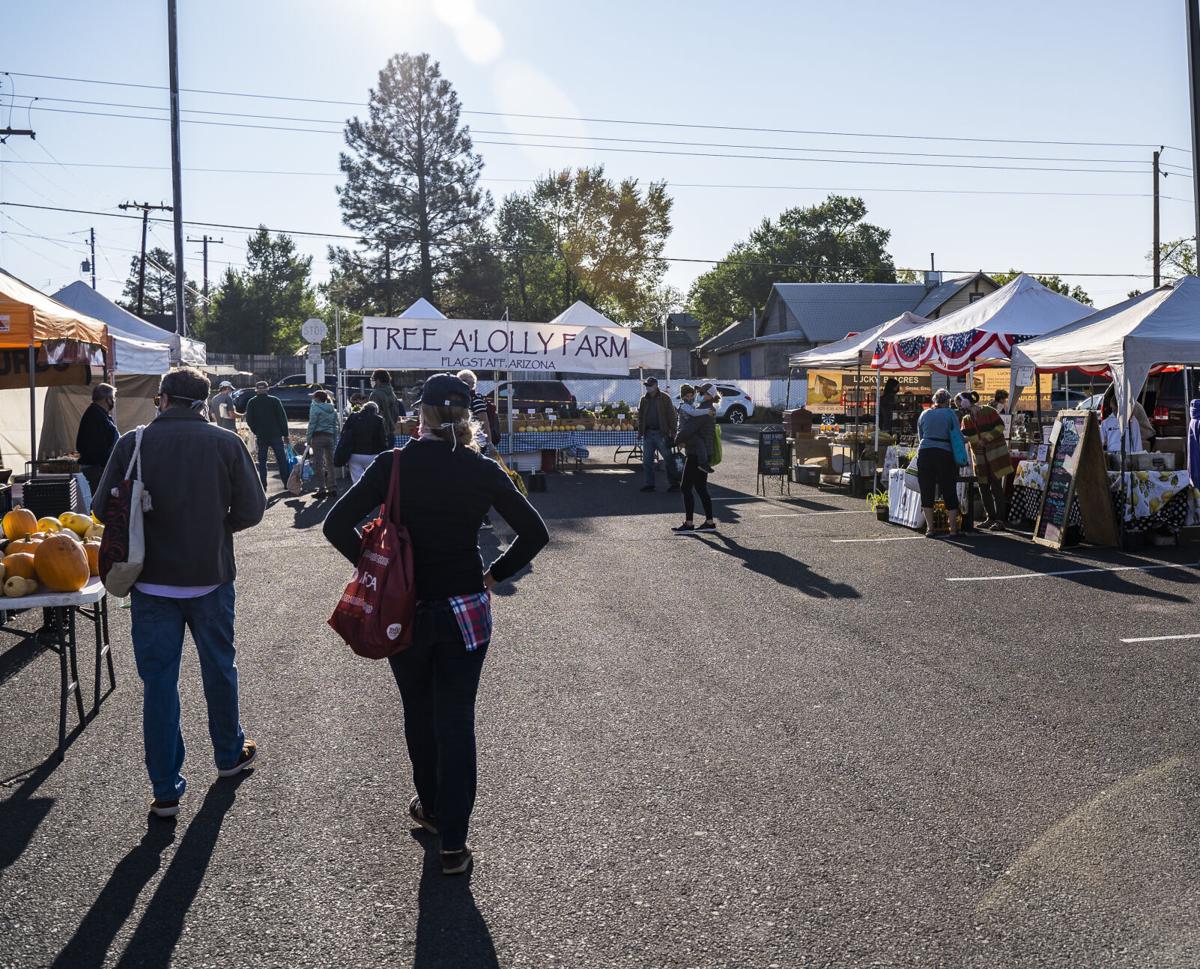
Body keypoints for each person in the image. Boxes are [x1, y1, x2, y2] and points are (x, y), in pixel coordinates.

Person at [323, 374, 549, 876]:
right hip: (466, 608)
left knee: (419, 713)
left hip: (404, 611)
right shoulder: (481, 468)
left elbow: (335, 524)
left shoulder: (393, 465)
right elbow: (535, 532)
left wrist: (375, 571)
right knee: (456, 719)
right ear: (469, 416)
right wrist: (495, 573)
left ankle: (431, 808)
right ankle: (454, 841)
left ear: (418, 413)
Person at [93, 367, 266, 819]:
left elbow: (98, 508)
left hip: (149, 582)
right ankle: (229, 753)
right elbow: (252, 508)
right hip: (209, 575)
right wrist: (216, 528)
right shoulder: (226, 443)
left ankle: (165, 787)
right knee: (219, 668)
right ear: (204, 402)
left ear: (164, 399)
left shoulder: (134, 442)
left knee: (159, 684)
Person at [956, 391, 1013, 531]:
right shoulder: (966, 419)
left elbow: (1000, 427)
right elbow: (967, 437)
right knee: (983, 488)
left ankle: (1000, 520)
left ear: (966, 402)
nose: (959, 408)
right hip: (980, 458)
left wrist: (986, 438)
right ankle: (990, 517)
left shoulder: (988, 411)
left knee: (996, 488)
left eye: (959, 404)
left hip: (996, 456)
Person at [916, 388, 962, 537]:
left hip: (925, 452)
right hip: (944, 453)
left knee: (926, 489)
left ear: (935, 400)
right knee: (949, 488)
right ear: (948, 401)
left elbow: (920, 435)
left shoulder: (924, 413)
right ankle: (953, 529)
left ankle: (930, 529)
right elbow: (956, 434)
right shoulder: (950, 413)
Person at [673, 383, 718, 533]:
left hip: (696, 454)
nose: (698, 393)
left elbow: (689, 429)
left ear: (709, 394)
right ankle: (709, 522)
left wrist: (677, 440)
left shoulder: (704, 410)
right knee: (700, 487)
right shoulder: (708, 408)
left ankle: (689, 523)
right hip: (704, 453)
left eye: (701, 392)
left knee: (685, 487)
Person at [243, 380, 291, 490]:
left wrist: (256, 431)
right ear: (267, 389)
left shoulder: (252, 402)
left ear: (256, 390)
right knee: (281, 460)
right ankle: (286, 483)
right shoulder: (275, 401)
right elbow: (282, 419)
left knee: (262, 462)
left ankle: (263, 486)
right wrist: (285, 434)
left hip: (261, 436)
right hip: (276, 435)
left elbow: (249, 420)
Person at [637, 376, 680, 493]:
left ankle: (674, 483)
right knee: (647, 461)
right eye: (646, 386)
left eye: (650, 385)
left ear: (656, 386)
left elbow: (672, 415)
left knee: (668, 459)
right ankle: (649, 484)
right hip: (649, 433)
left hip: (662, 433)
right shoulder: (643, 399)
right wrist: (640, 432)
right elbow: (640, 417)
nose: (648, 388)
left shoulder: (665, 398)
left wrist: (673, 431)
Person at [77, 382, 119, 496]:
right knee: (99, 499)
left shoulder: (100, 414)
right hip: (96, 469)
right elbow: (97, 447)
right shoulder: (95, 416)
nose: (114, 401)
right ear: (107, 399)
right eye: (113, 398)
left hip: (99, 468)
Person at [340, 400, 390, 484]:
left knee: (357, 482)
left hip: (354, 453)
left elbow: (343, 433)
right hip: (372, 454)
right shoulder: (378, 420)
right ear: (376, 411)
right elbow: (382, 439)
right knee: (372, 479)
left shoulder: (353, 417)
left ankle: (359, 495)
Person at [307, 389, 340, 499]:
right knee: (330, 463)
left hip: (318, 437)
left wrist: (308, 439)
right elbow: (336, 426)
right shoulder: (333, 410)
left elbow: (312, 424)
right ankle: (332, 488)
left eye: (314, 397)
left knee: (318, 463)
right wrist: (334, 439)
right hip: (330, 437)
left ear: (317, 398)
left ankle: (321, 489)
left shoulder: (315, 408)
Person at [677, 383, 716, 474]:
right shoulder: (685, 406)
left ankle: (703, 463)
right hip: (685, 432)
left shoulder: (696, 406)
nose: (690, 398)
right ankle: (703, 463)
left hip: (689, 434)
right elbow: (694, 413)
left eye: (692, 395)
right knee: (699, 443)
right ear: (683, 397)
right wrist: (706, 411)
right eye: (687, 396)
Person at [456, 368, 499, 450]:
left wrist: (489, 442)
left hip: (476, 442)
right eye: (461, 381)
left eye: (466, 381)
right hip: (464, 440)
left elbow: (484, 421)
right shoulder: (460, 399)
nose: (463, 384)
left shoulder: (476, 399)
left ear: (473, 384)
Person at [369, 369, 405, 435]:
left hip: (379, 432)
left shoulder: (375, 394)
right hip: (391, 430)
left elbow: (372, 415)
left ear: (378, 380)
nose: (372, 381)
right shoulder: (392, 394)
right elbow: (396, 413)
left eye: (373, 379)